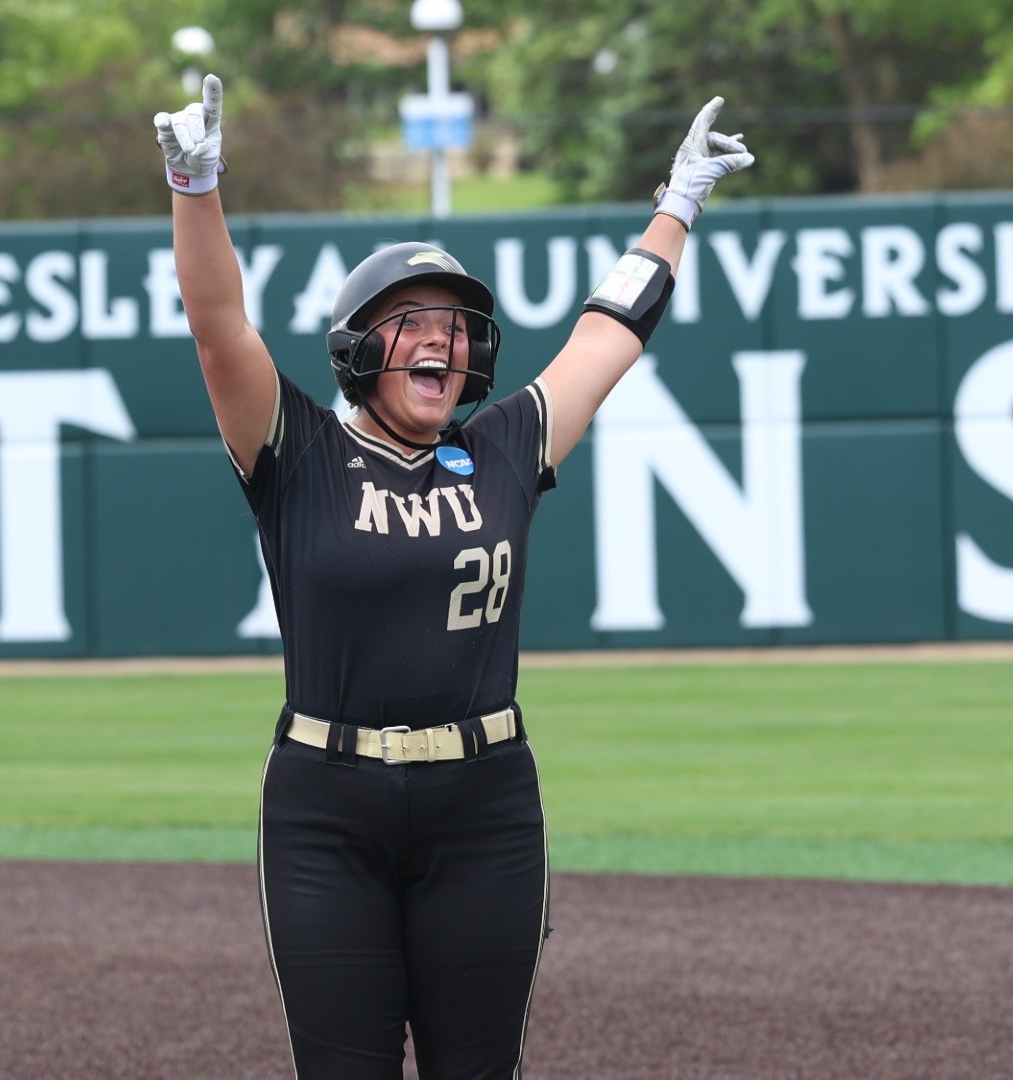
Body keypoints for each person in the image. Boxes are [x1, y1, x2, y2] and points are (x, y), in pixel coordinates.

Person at [153, 75, 753, 1078]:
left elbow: (610, 332)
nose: (443, 337)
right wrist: (195, 184)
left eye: (457, 324)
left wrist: (678, 204)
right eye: (412, 319)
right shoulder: (299, 451)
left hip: (486, 804)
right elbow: (219, 325)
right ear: (356, 348)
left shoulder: (504, 447)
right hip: (325, 806)